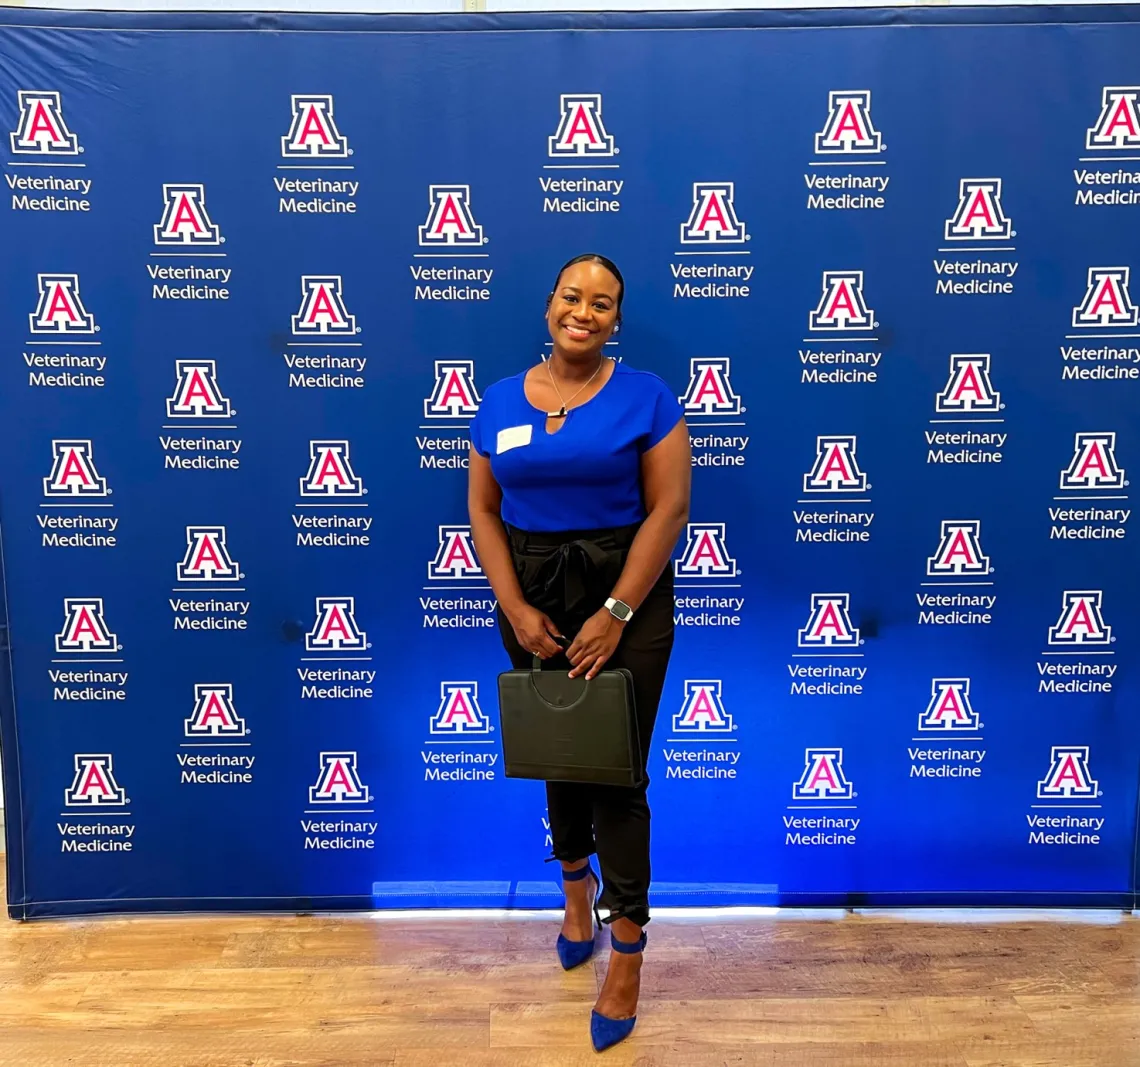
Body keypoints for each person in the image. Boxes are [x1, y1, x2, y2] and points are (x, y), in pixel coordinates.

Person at [467, 253, 691, 1051]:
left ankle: (625, 947)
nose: (584, 311)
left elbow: (668, 511)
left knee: (617, 773)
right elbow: (484, 512)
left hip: (624, 593)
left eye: (602, 303)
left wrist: (617, 610)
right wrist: (516, 606)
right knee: (556, 753)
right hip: (532, 596)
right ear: (550, 304)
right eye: (572, 295)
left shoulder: (648, 397)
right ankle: (573, 887)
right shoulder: (498, 401)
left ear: (616, 321)